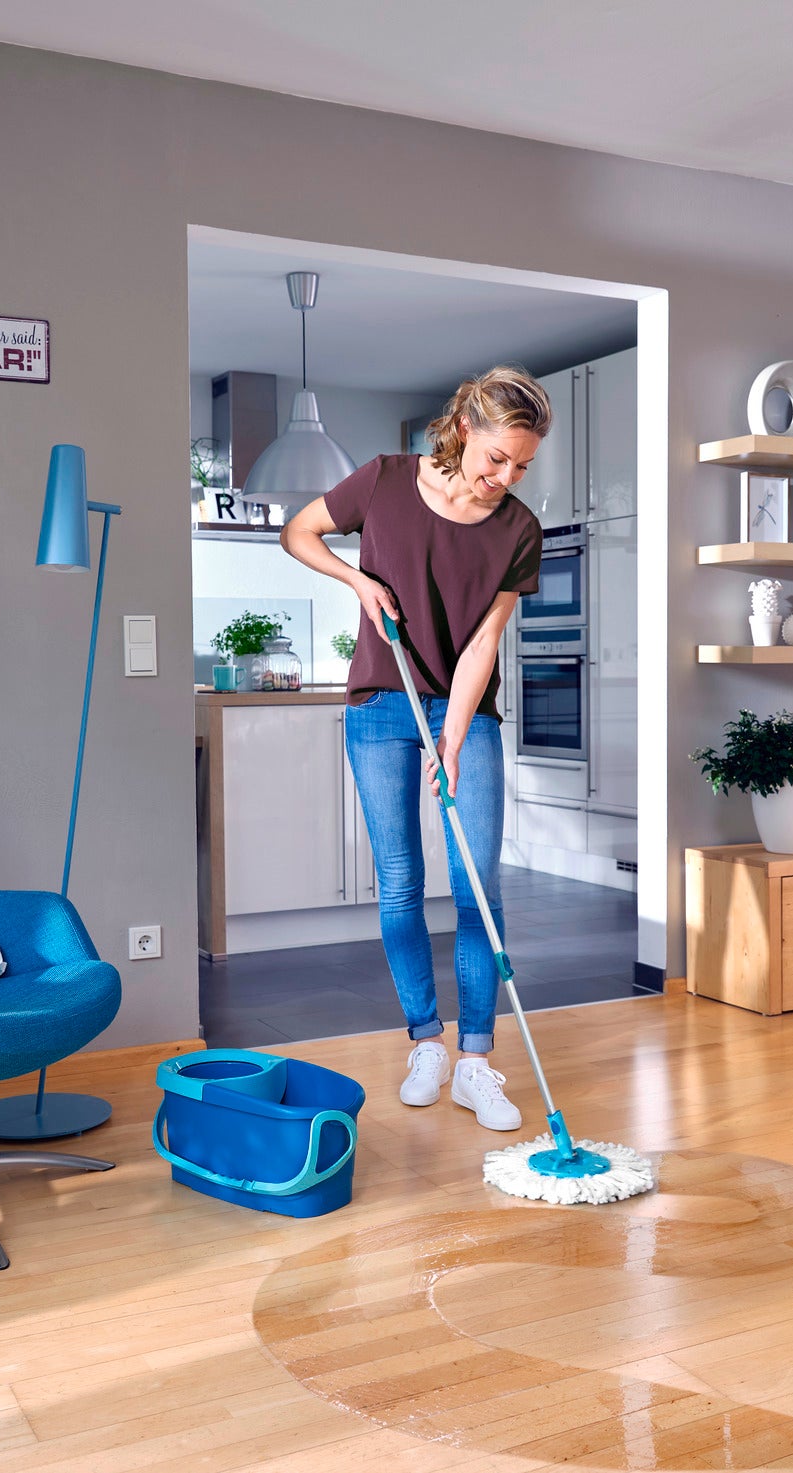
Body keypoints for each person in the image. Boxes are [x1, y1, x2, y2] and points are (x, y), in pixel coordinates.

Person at [280, 367, 549, 1131]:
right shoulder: (385, 481)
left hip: (461, 707)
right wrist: (356, 582)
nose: (506, 477)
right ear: (466, 427)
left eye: (522, 465)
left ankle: (475, 1062)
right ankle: (425, 1041)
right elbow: (297, 532)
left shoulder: (517, 529)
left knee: (477, 882)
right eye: (498, 457)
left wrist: (456, 738)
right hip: (380, 704)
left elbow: (485, 642)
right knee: (400, 879)